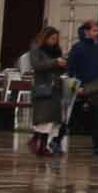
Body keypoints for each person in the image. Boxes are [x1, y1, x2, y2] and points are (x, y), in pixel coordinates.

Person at [65, 21, 98, 157]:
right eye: (95, 31)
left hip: (93, 87)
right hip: (79, 87)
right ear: (86, 32)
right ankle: (56, 140)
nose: (97, 33)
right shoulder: (77, 47)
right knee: (71, 116)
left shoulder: (95, 48)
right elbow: (70, 70)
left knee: (97, 115)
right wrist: (75, 87)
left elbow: (96, 67)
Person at [27, 26, 67, 157]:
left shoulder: (57, 50)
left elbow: (59, 69)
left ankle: (43, 146)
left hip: (56, 87)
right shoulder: (36, 50)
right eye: (52, 38)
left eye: (56, 39)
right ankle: (35, 141)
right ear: (45, 37)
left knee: (52, 119)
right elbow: (37, 65)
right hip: (43, 87)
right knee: (43, 118)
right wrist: (55, 62)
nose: (54, 41)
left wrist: (63, 65)